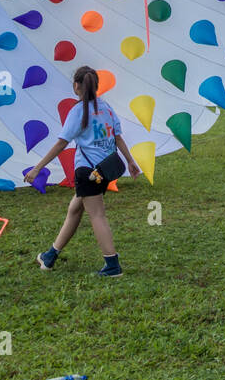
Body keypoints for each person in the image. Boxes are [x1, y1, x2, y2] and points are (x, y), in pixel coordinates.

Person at [26, 66, 141, 277]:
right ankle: (50, 256)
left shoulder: (77, 111)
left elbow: (61, 143)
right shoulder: (106, 108)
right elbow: (118, 137)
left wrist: (37, 168)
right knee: (75, 210)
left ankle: (112, 265)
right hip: (104, 171)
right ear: (96, 85)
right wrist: (130, 161)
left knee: (97, 215)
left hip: (87, 172)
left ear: (76, 86)